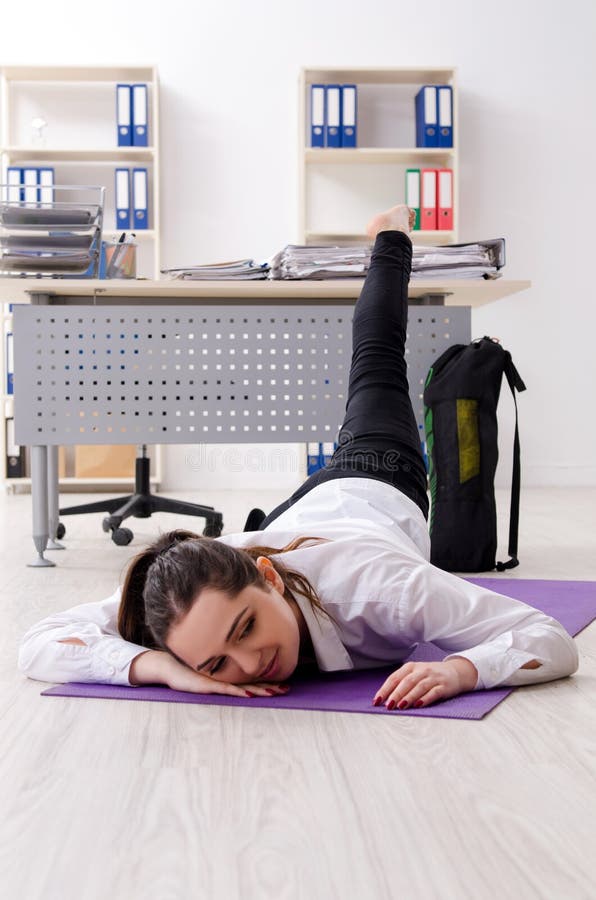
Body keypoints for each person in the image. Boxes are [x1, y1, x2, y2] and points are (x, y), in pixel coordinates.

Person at [17, 206, 579, 711]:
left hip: (374, 473)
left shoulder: (383, 589)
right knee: (256, 547)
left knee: (376, 353)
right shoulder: (194, 592)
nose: (247, 664)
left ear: (269, 579)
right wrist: (161, 668)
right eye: (213, 664)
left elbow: (547, 637)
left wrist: (463, 669)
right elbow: (38, 644)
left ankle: (391, 236)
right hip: (295, 520)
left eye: (245, 628)